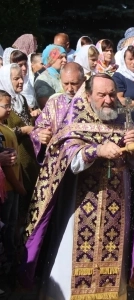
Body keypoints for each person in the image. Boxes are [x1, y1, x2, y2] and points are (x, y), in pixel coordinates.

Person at [21, 73, 134, 299]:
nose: (108, 100)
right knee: (70, 261)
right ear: (88, 95)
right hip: (79, 207)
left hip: (116, 205)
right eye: (101, 95)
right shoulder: (75, 120)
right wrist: (96, 151)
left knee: (115, 261)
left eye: (111, 94)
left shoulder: (122, 120)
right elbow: (66, 154)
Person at [0, 64, 39, 219]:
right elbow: (5, 130)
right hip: (12, 161)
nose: (21, 81)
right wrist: (24, 130)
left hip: (27, 157)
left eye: (21, 77)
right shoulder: (3, 103)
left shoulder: (21, 99)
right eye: (15, 78)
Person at [30, 62, 86, 163]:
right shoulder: (53, 103)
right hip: (58, 161)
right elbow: (38, 128)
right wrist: (41, 135)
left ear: (84, 81)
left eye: (74, 84)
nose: (69, 89)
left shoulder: (93, 102)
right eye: (65, 83)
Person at [0, 90, 26, 277]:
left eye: (10, 105)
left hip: (12, 187)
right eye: (5, 106)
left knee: (12, 225)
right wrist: (18, 186)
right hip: (7, 188)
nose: (9, 109)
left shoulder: (5, 126)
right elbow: (7, 163)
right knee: (6, 228)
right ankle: (9, 267)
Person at [34, 44, 67, 109]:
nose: (65, 60)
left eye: (65, 57)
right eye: (61, 57)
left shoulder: (63, 75)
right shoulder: (43, 80)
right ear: (51, 59)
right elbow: (46, 106)